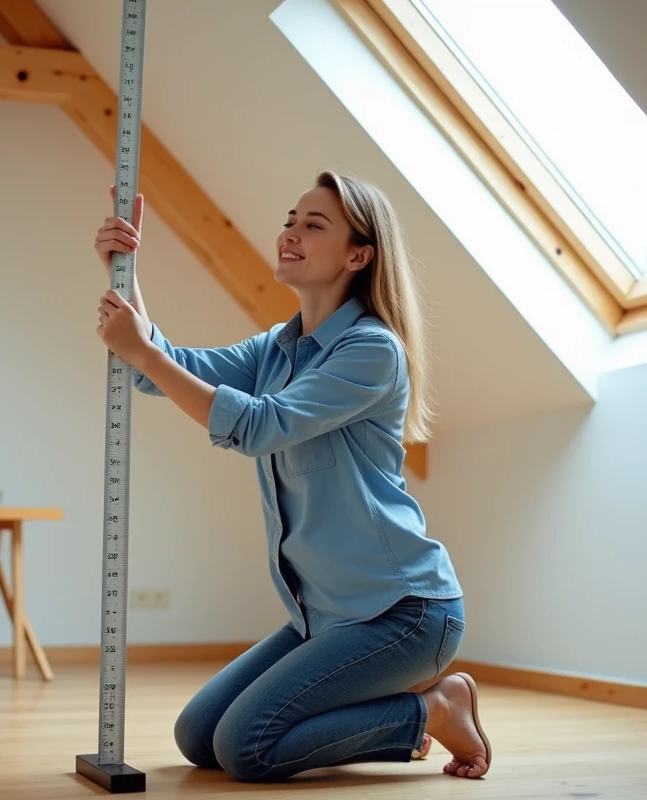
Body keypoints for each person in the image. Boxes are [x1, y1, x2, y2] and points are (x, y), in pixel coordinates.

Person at [92, 171, 491, 782]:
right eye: (289, 220)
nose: (290, 234)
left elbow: (257, 427)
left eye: (313, 225)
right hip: (324, 615)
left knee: (246, 748)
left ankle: (434, 708)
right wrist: (126, 271)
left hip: (405, 612)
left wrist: (142, 352)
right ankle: (404, 704)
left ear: (359, 255)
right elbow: (164, 368)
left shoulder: (371, 350)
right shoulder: (277, 348)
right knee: (198, 737)